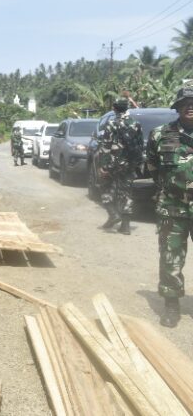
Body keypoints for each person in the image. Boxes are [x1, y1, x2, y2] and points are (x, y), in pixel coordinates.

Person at [146, 84, 193, 328]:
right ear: (177, 107)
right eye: (186, 103)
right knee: (171, 257)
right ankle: (172, 305)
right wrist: (172, 187)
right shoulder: (160, 135)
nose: (191, 107)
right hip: (173, 208)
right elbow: (153, 166)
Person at [99, 97, 143, 235]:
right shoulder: (136, 124)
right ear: (127, 108)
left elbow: (106, 146)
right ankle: (125, 226)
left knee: (105, 188)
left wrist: (103, 166)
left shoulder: (111, 123)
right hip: (129, 164)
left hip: (112, 163)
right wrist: (136, 163)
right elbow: (140, 145)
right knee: (126, 193)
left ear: (114, 108)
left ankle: (113, 214)